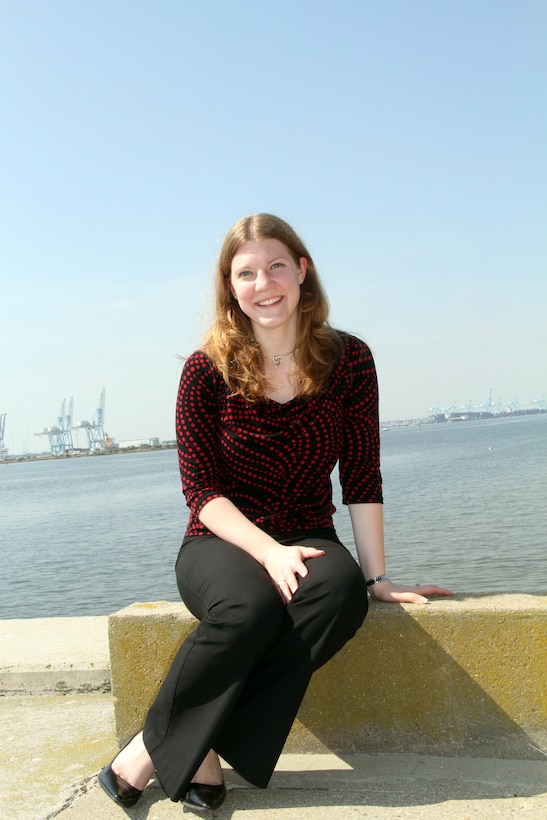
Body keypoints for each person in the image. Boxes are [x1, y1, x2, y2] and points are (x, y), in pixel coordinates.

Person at [98, 213, 453, 812]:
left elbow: (361, 475)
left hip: (310, 531)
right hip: (221, 539)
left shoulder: (351, 360)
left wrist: (377, 578)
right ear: (230, 288)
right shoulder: (203, 370)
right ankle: (181, 747)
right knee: (250, 606)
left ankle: (176, 744)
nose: (264, 283)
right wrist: (266, 549)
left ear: (302, 271)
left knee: (341, 598)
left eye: (276, 266)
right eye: (247, 273)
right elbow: (201, 492)